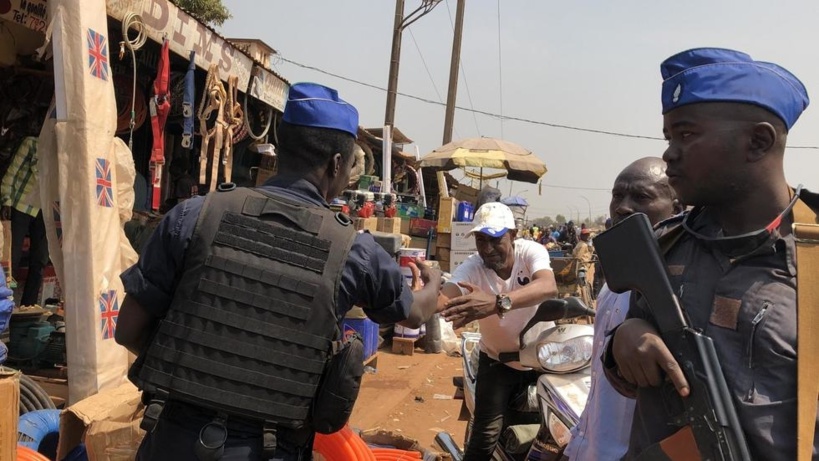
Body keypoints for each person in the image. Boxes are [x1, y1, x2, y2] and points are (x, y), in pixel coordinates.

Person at [115, 82, 442, 460]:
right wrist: (433, 285)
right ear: (337, 164)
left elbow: (128, 330)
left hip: (172, 440)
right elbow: (413, 312)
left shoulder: (193, 216)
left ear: (279, 151)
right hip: (270, 449)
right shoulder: (353, 250)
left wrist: (195, 374)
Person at [604, 48, 819, 460]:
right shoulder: (664, 246)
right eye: (669, 137)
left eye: (686, 134)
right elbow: (629, 372)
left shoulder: (811, 258)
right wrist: (624, 340)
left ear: (758, 141)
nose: (668, 154)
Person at [563, 157, 682, 461]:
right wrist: (578, 441)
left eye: (641, 197)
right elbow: (601, 385)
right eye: (618, 195)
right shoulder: (615, 282)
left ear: (677, 208)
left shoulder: (681, 290)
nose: (623, 207)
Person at [439, 202, 558, 458]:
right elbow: (444, 297)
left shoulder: (530, 252)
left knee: (555, 432)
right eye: (481, 240)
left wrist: (496, 303)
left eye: (495, 239)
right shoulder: (473, 267)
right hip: (497, 361)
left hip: (542, 360)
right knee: (486, 435)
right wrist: (417, 298)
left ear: (513, 235)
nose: (488, 249)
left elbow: (548, 286)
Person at [1, 136, 48, 307]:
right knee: (12, 259)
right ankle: (6, 302)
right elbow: (12, 173)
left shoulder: (62, 151)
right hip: (21, 205)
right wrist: (6, 200)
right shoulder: (31, 143)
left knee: (40, 260)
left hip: (44, 210)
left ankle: (28, 306)